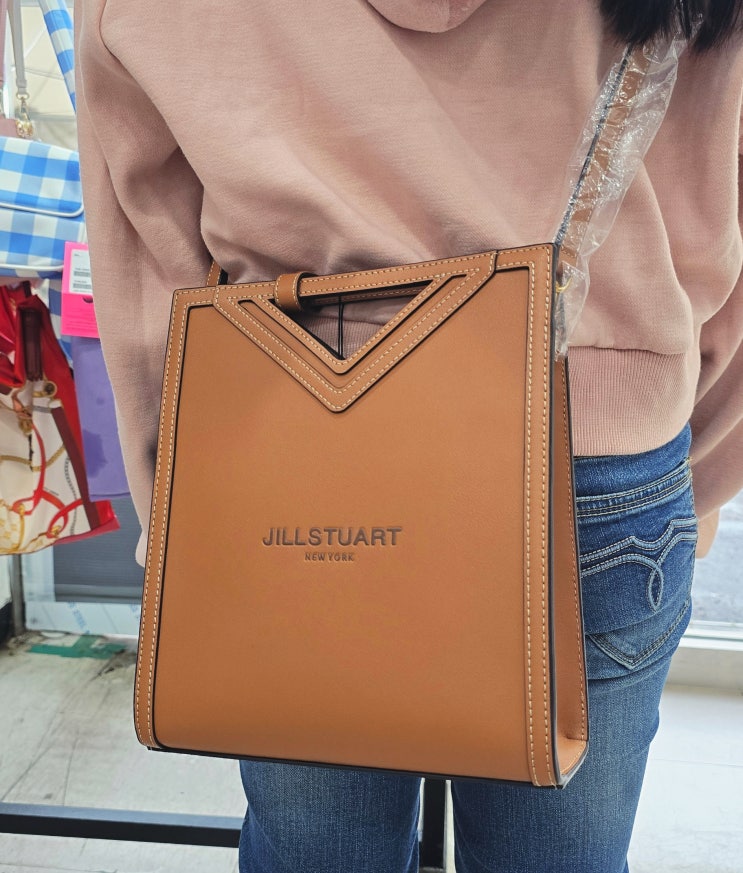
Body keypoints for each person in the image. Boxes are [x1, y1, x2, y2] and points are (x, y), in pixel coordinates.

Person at [75, 1, 743, 870]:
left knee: (316, 855)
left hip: (291, 459)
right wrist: (686, 470)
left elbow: (148, 264)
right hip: (594, 464)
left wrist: (178, 517)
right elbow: (714, 218)